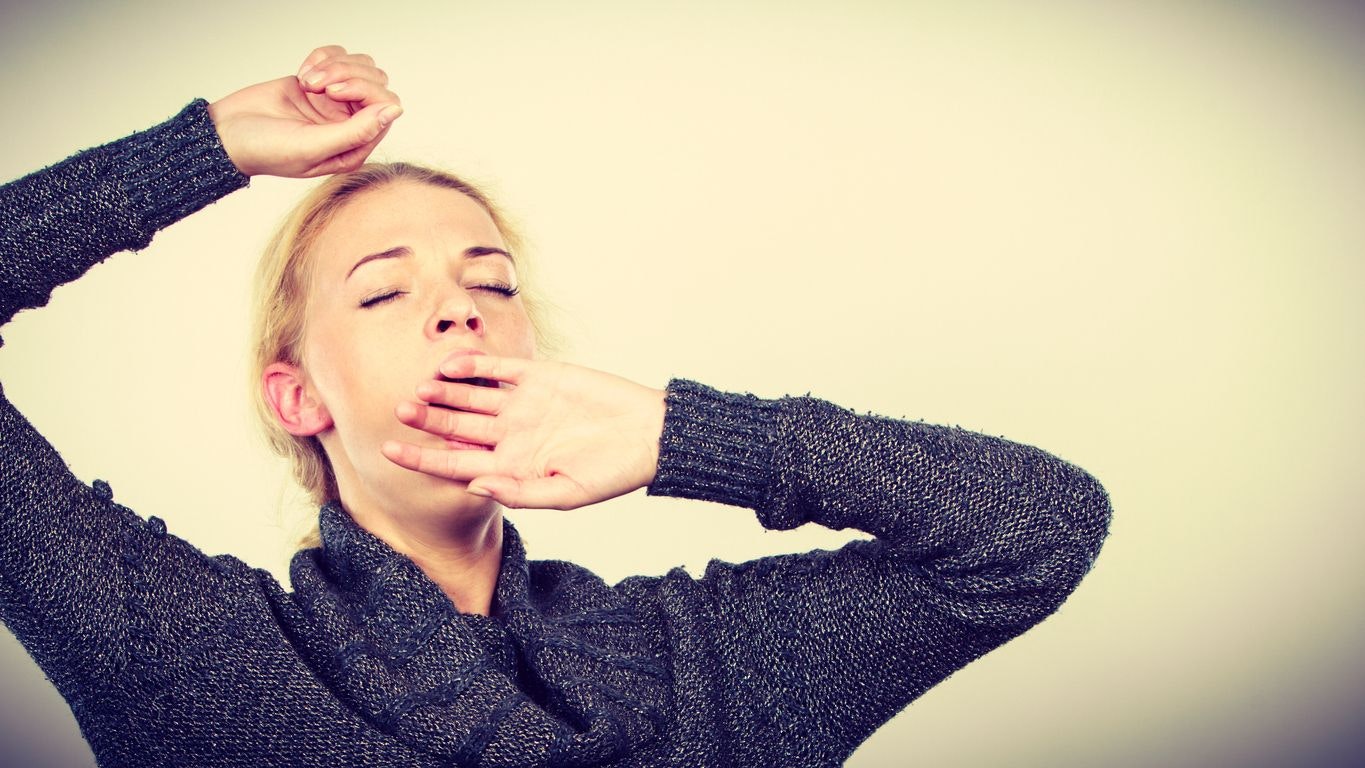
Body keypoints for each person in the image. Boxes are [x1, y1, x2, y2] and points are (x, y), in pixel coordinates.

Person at [0, 46, 1111, 767]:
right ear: (297, 396)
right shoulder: (183, 652)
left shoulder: (704, 663)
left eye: (492, 284)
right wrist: (205, 147)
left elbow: (1037, 529)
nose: (458, 314)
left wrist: (692, 437)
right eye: (385, 291)